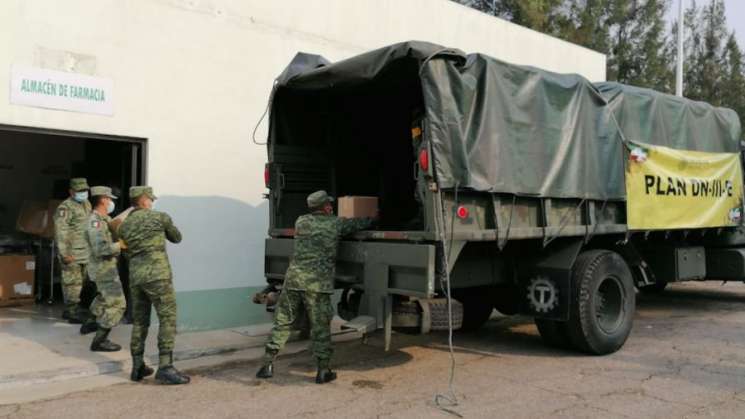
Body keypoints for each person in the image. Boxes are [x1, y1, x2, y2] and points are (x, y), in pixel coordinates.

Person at [257, 190, 374, 384]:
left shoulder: (301, 221)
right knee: (320, 327)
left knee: (283, 322)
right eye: (329, 204)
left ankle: (267, 365)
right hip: (317, 284)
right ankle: (323, 370)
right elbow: (357, 224)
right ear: (326, 207)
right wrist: (372, 218)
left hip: (293, 280)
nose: (331, 207)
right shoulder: (335, 223)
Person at [119, 186, 189, 385]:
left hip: (136, 278)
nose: (152, 202)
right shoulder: (160, 217)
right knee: (167, 317)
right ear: (144, 200)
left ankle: (137, 366)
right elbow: (177, 238)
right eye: (150, 199)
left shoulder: (123, 226)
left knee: (140, 322)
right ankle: (165, 366)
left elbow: (125, 253)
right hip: (158, 276)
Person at [80, 186, 129, 353]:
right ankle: (100, 340)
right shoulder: (95, 222)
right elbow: (100, 249)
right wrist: (120, 245)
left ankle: (90, 323)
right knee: (118, 304)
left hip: (105, 267)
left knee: (103, 296)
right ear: (102, 199)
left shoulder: (104, 219)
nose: (110, 202)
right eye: (109, 199)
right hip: (103, 269)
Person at [53, 177, 92, 324]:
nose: (83, 193)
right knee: (72, 283)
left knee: (82, 282)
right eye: (80, 190)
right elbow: (60, 231)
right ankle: (71, 311)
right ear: (71, 191)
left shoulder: (86, 204)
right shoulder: (65, 207)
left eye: (85, 190)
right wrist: (64, 253)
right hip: (71, 252)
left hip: (85, 251)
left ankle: (75, 308)